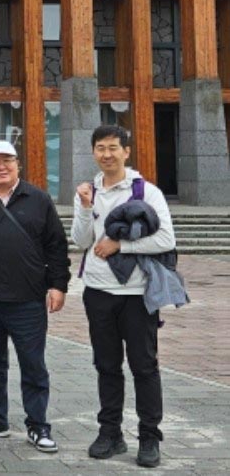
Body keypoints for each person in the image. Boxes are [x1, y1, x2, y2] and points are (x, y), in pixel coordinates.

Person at [72, 125, 175, 468]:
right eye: (101, 148)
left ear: (126, 151)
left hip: (137, 293)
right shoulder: (88, 191)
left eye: (113, 147)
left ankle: (149, 437)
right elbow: (81, 241)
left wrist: (121, 245)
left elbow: (166, 240)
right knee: (106, 366)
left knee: (144, 366)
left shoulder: (147, 192)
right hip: (98, 291)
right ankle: (110, 433)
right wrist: (85, 207)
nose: (107, 154)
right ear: (94, 152)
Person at [0, 140, 70, 453]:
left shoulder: (38, 199)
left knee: (33, 365)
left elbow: (56, 245)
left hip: (28, 300)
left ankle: (38, 424)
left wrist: (58, 285)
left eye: (7, 160)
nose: (1, 167)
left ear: (18, 164)